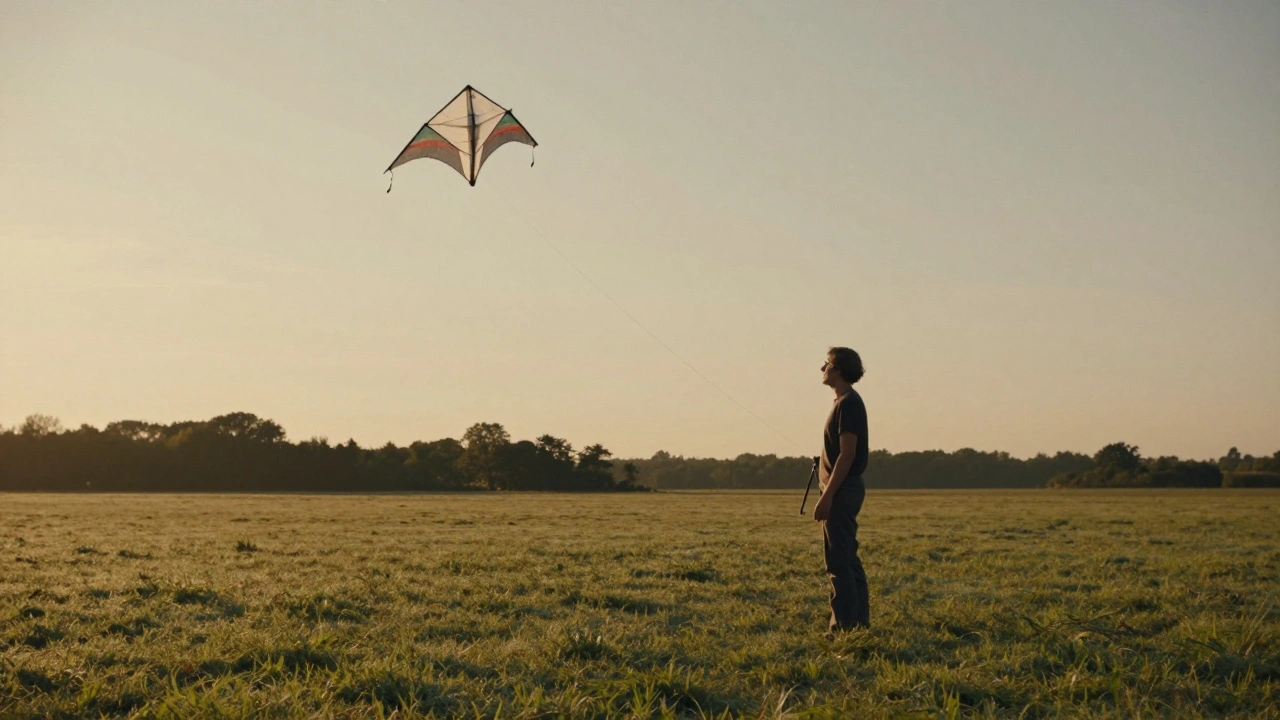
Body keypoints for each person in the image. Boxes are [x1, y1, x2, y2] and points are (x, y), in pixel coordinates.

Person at [813, 346, 870, 634]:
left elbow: (848, 455)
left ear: (839, 370)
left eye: (828, 364)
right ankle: (857, 625)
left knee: (839, 561)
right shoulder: (844, 402)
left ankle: (844, 628)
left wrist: (827, 496)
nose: (823, 368)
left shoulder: (848, 403)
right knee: (847, 558)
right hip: (843, 489)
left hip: (842, 491)